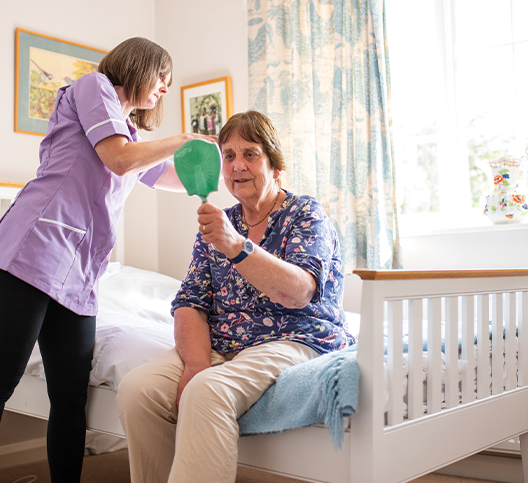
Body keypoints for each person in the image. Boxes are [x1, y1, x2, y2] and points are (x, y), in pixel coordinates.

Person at [0, 37, 215, 483]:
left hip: (79, 275)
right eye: (163, 80)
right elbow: (117, 161)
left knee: (70, 398)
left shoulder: (129, 133)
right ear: (139, 66)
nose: (165, 91)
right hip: (33, 251)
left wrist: (222, 168)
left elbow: (168, 176)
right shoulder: (94, 87)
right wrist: (183, 139)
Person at [116, 110, 354, 483]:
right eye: (228, 155)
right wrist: (195, 364)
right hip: (226, 341)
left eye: (251, 154)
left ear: (275, 165)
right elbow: (191, 300)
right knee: (138, 389)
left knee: (208, 392)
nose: (237, 165)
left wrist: (237, 246)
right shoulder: (220, 221)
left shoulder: (304, 213)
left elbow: (301, 291)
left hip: (294, 336)